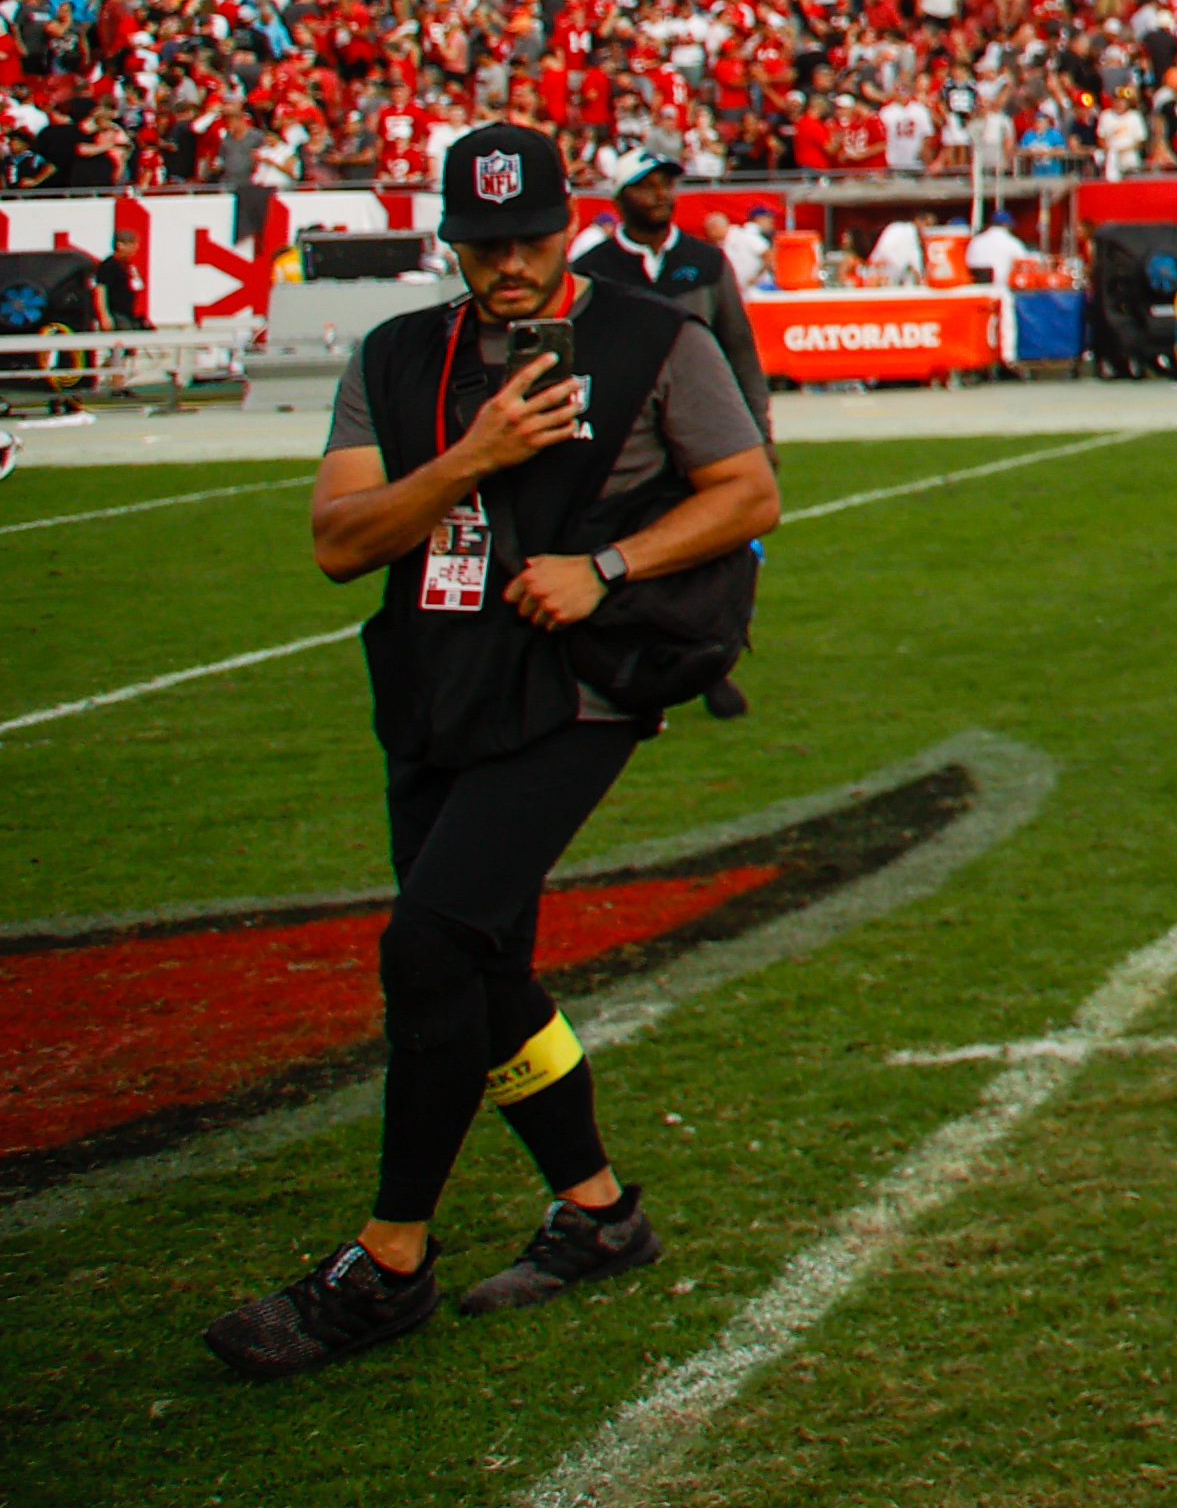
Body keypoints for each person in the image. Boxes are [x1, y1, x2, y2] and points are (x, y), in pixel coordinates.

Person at [201, 124, 781, 1379]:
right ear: (451, 239)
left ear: (566, 226)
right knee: (488, 964)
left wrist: (607, 567)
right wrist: (472, 458)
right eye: (483, 244)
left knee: (429, 943)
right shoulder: (400, 355)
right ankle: (600, 1211)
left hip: (579, 683)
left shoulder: (655, 339)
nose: (508, 267)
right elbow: (340, 540)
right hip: (433, 676)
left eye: (528, 242)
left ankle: (388, 1257)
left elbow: (747, 493)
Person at [567, 141, 766, 408]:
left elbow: (739, 347)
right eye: (646, 186)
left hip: (701, 410)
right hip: (622, 420)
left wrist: (760, 431)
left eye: (666, 184)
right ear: (620, 199)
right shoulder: (590, 269)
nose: (659, 194)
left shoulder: (707, 261)